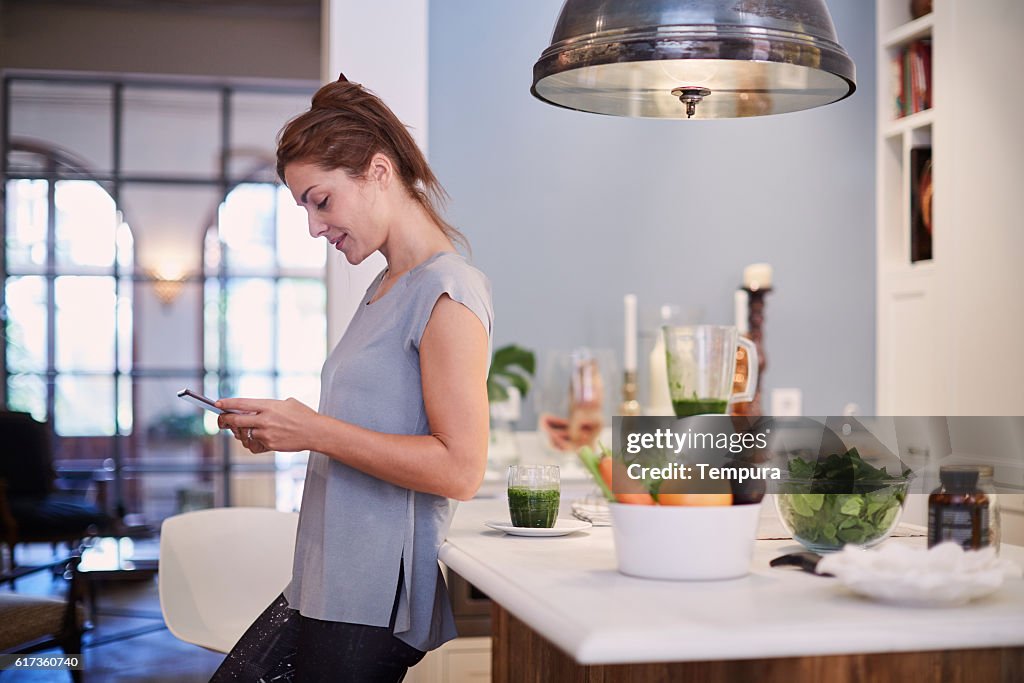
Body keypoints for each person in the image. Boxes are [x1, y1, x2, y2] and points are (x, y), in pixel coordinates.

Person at [209, 74, 493, 682]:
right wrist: (287, 431)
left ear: (379, 172)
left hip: (370, 598)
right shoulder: (384, 287)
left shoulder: (448, 292)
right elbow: (362, 427)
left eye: (321, 200)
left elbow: (460, 469)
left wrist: (312, 430)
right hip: (322, 577)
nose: (315, 227)